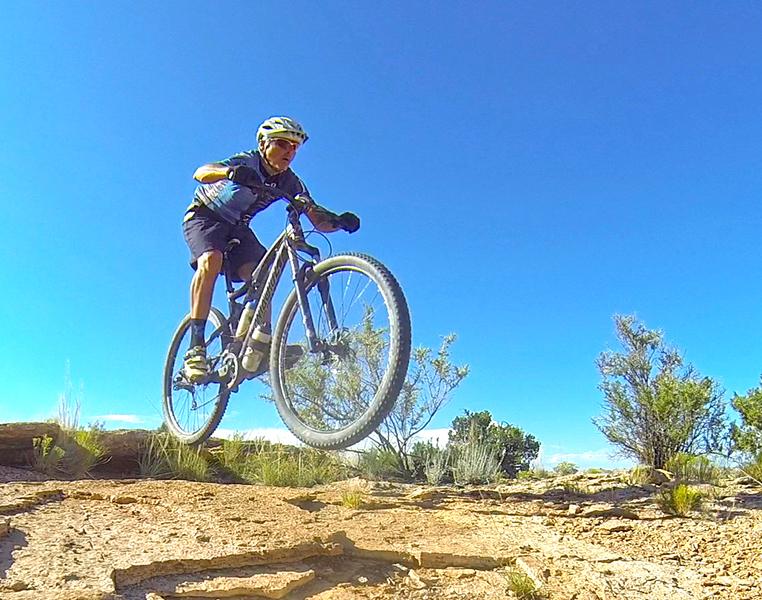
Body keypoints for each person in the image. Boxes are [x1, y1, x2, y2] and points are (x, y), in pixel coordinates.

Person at [181, 116, 359, 382]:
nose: (290, 151)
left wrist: (340, 221)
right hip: (206, 218)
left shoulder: (290, 182)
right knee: (212, 259)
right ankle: (195, 350)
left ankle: (257, 344)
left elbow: (317, 219)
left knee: (265, 276)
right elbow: (201, 173)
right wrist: (229, 172)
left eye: (294, 147)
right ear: (263, 144)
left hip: (238, 230)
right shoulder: (248, 161)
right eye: (282, 144)